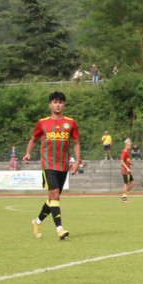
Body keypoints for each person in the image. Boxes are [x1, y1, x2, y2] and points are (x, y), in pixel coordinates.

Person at [24, 91, 81, 239]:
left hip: (63, 165)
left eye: (60, 102)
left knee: (53, 198)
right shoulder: (42, 123)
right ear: (50, 105)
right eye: (55, 102)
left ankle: (37, 222)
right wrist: (28, 153)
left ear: (64, 105)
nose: (58, 105)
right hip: (48, 163)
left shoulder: (70, 123)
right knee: (55, 195)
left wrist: (77, 160)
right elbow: (33, 139)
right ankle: (60, 229)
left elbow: (76, 143)